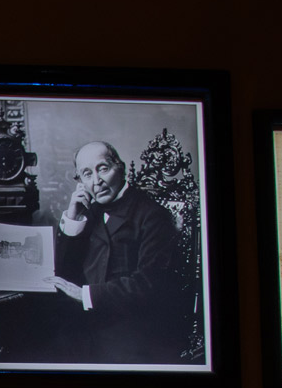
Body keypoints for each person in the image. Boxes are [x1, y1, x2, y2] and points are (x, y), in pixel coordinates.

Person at [44, 141, 188, 365]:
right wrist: (72, 218)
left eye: (102, 169)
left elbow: (148, 283)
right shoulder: (89, 211)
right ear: (80, 181)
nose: (96, 181)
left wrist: (85, 295)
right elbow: (62, 271)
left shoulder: (152, 215)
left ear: (120, 168)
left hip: (132, 328)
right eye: (87, 174)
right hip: (86, 323)